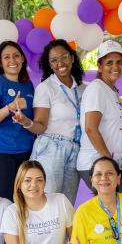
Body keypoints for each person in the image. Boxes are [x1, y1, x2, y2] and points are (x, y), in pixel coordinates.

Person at [27, 39, 87, 205]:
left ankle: (64, 233)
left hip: (75, 149)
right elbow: (40, 126)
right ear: (49, 65)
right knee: (46, 202)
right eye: (54, 60)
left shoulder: (84, 88)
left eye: (64, 57)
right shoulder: (45, 88)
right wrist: (27, 123)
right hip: (52, 147)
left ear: (72, 58)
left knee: (66, 205)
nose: (60, 63)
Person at [0, 40, 36, 198]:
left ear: (23, 59)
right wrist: (9, 107)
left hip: (24, 152)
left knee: (22, 201)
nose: (12, 61)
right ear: (0, 62)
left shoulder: (28, 85)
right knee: (3, 202)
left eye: (16, 56)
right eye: (7, 57)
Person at [76, 40, 122, 189]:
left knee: (114, 210)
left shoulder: (111, 91)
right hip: (97, 163)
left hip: (109, 163)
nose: (115, 67)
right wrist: (109, 162)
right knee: (117, 209)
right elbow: (91, 129)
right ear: (99, 66)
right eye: (109, 63)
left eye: (119, 62)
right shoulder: (97, 89)